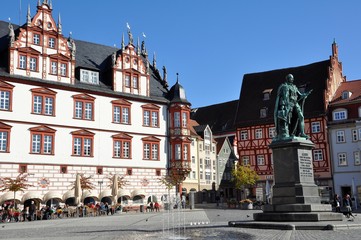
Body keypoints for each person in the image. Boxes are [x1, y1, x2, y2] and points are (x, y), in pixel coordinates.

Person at [274, 74, 312, 139]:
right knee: (287, 119)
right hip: (289, 104)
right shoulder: (284, 86)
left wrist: (304, 95)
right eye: (291, 78)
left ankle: (302, 133)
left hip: (295, 103)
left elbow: (299, 95)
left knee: (301, 116)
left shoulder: (294, 87)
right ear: (288, 79)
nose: (292, 79)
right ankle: (288, 133)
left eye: (293, 78)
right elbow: (282, 97)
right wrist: (283, 106)